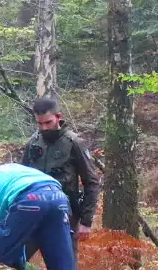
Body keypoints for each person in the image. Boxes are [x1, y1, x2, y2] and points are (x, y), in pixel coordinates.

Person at [21, 97, 102, 256]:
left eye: (48, 122)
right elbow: (22, 177)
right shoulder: (33, 142)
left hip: (65, 215)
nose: (44, 128)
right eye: (39, 123)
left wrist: (86, 221)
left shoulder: (74, 143)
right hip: (33, 211)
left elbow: (91, 182)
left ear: (58, 117)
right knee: (16, 261)